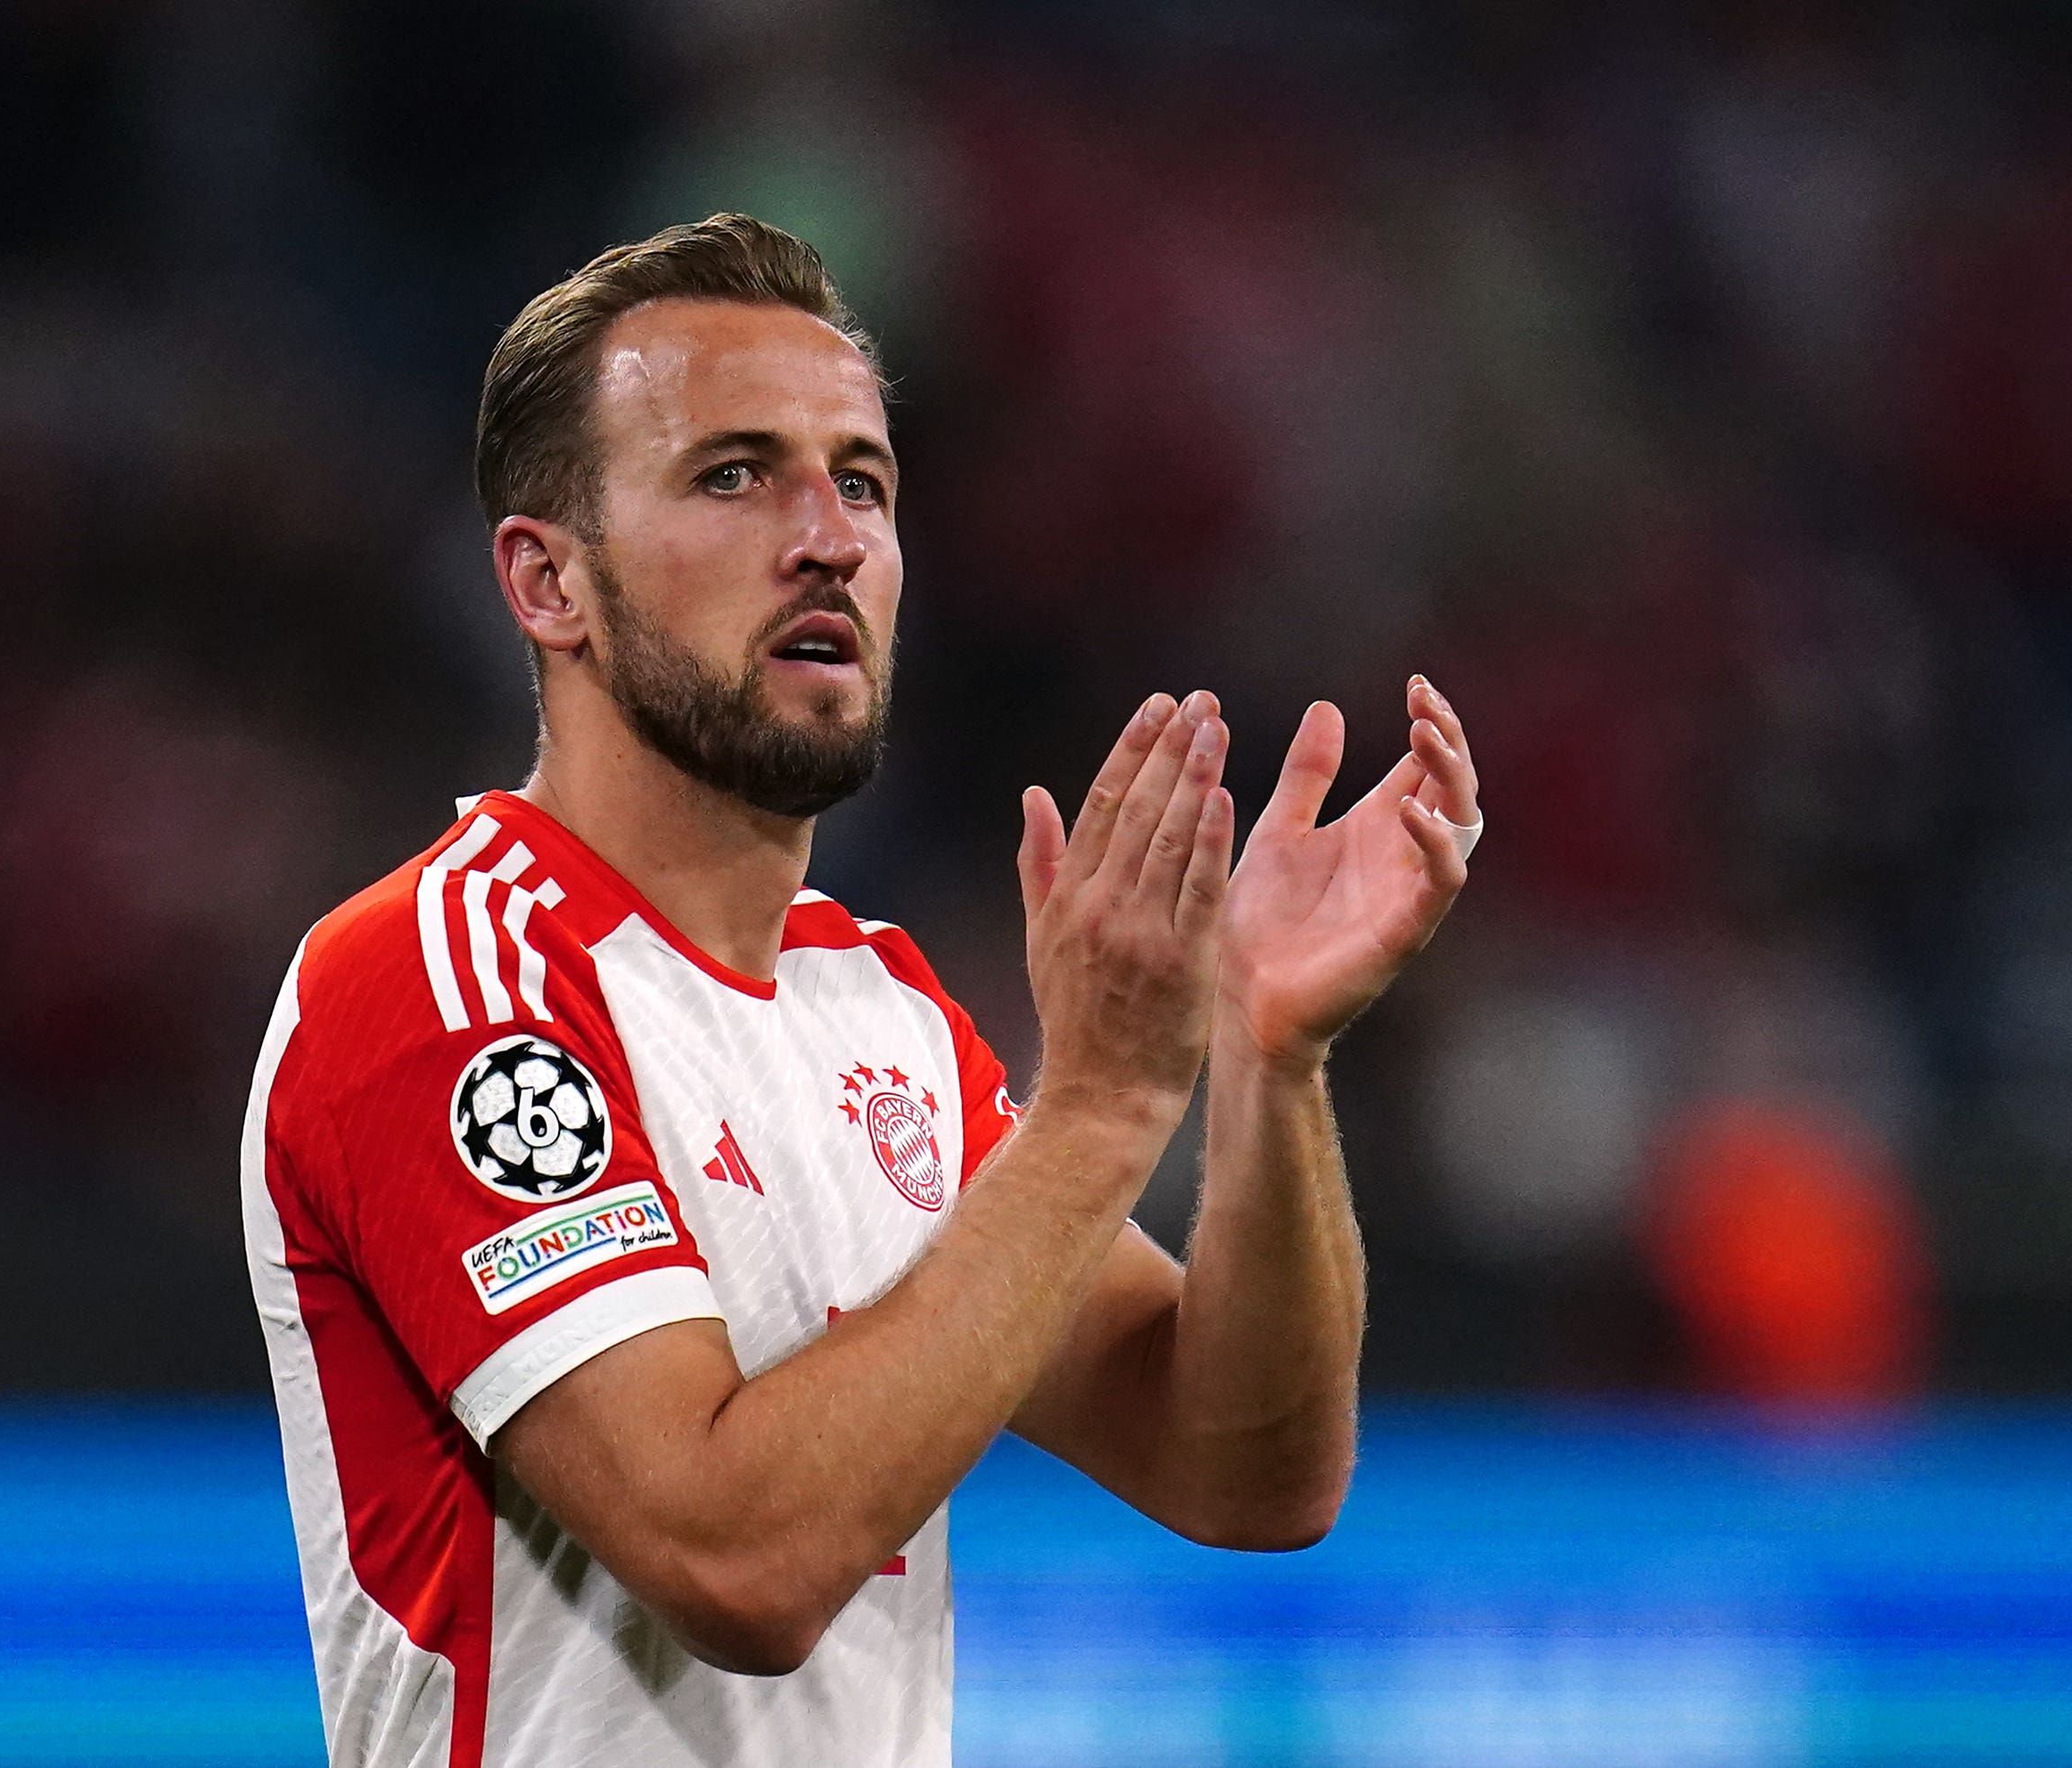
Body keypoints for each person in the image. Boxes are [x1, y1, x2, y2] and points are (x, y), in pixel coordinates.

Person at [238, 213, 1481, 1768]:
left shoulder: (876, 1014)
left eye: (864, 481)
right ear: (548, 583)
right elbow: (737, 1563)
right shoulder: (446, 980)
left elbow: (1246, 1469)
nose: (827, 534)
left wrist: (1269, 1064)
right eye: (734, 474)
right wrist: (1096, 1110)